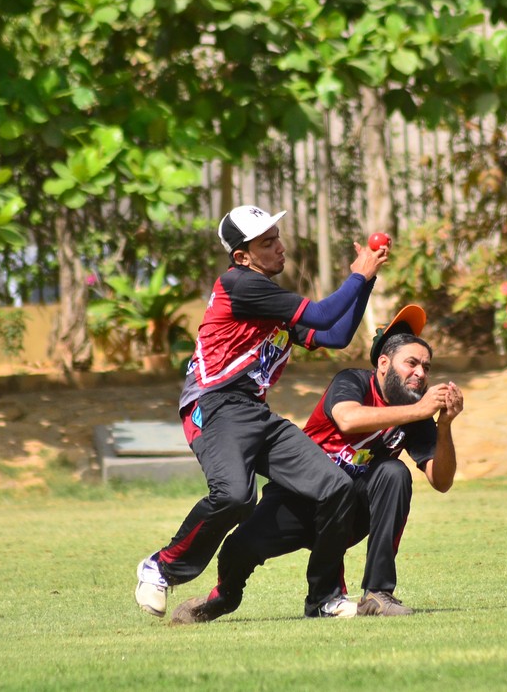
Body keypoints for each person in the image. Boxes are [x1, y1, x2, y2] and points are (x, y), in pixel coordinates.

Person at [134, 205, 388, 621]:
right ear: (242, 256)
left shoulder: (271, 302)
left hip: (255, 412)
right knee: (235, 496)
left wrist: (368, 279)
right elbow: (323, 313)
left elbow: (336, 334)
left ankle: (324, 598)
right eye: (267, 243)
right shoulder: (239, 284)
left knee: (335, 486)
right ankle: (160, 567)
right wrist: (358, 274)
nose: (279, 247)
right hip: (214, 406)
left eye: (277, 238)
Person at [173, 304, 464, 623]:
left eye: (426, 367)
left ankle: (376, 594)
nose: (421, 373)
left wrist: (444, 426)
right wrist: (420, 410)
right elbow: (348, 418)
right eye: (412, 363)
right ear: (383, 363)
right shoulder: (353, 381)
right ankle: (221, 599)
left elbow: (442, 481)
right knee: (239, 548)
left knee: (394, 473)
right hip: (296, 498)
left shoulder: (415, 414)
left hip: (346, 512)